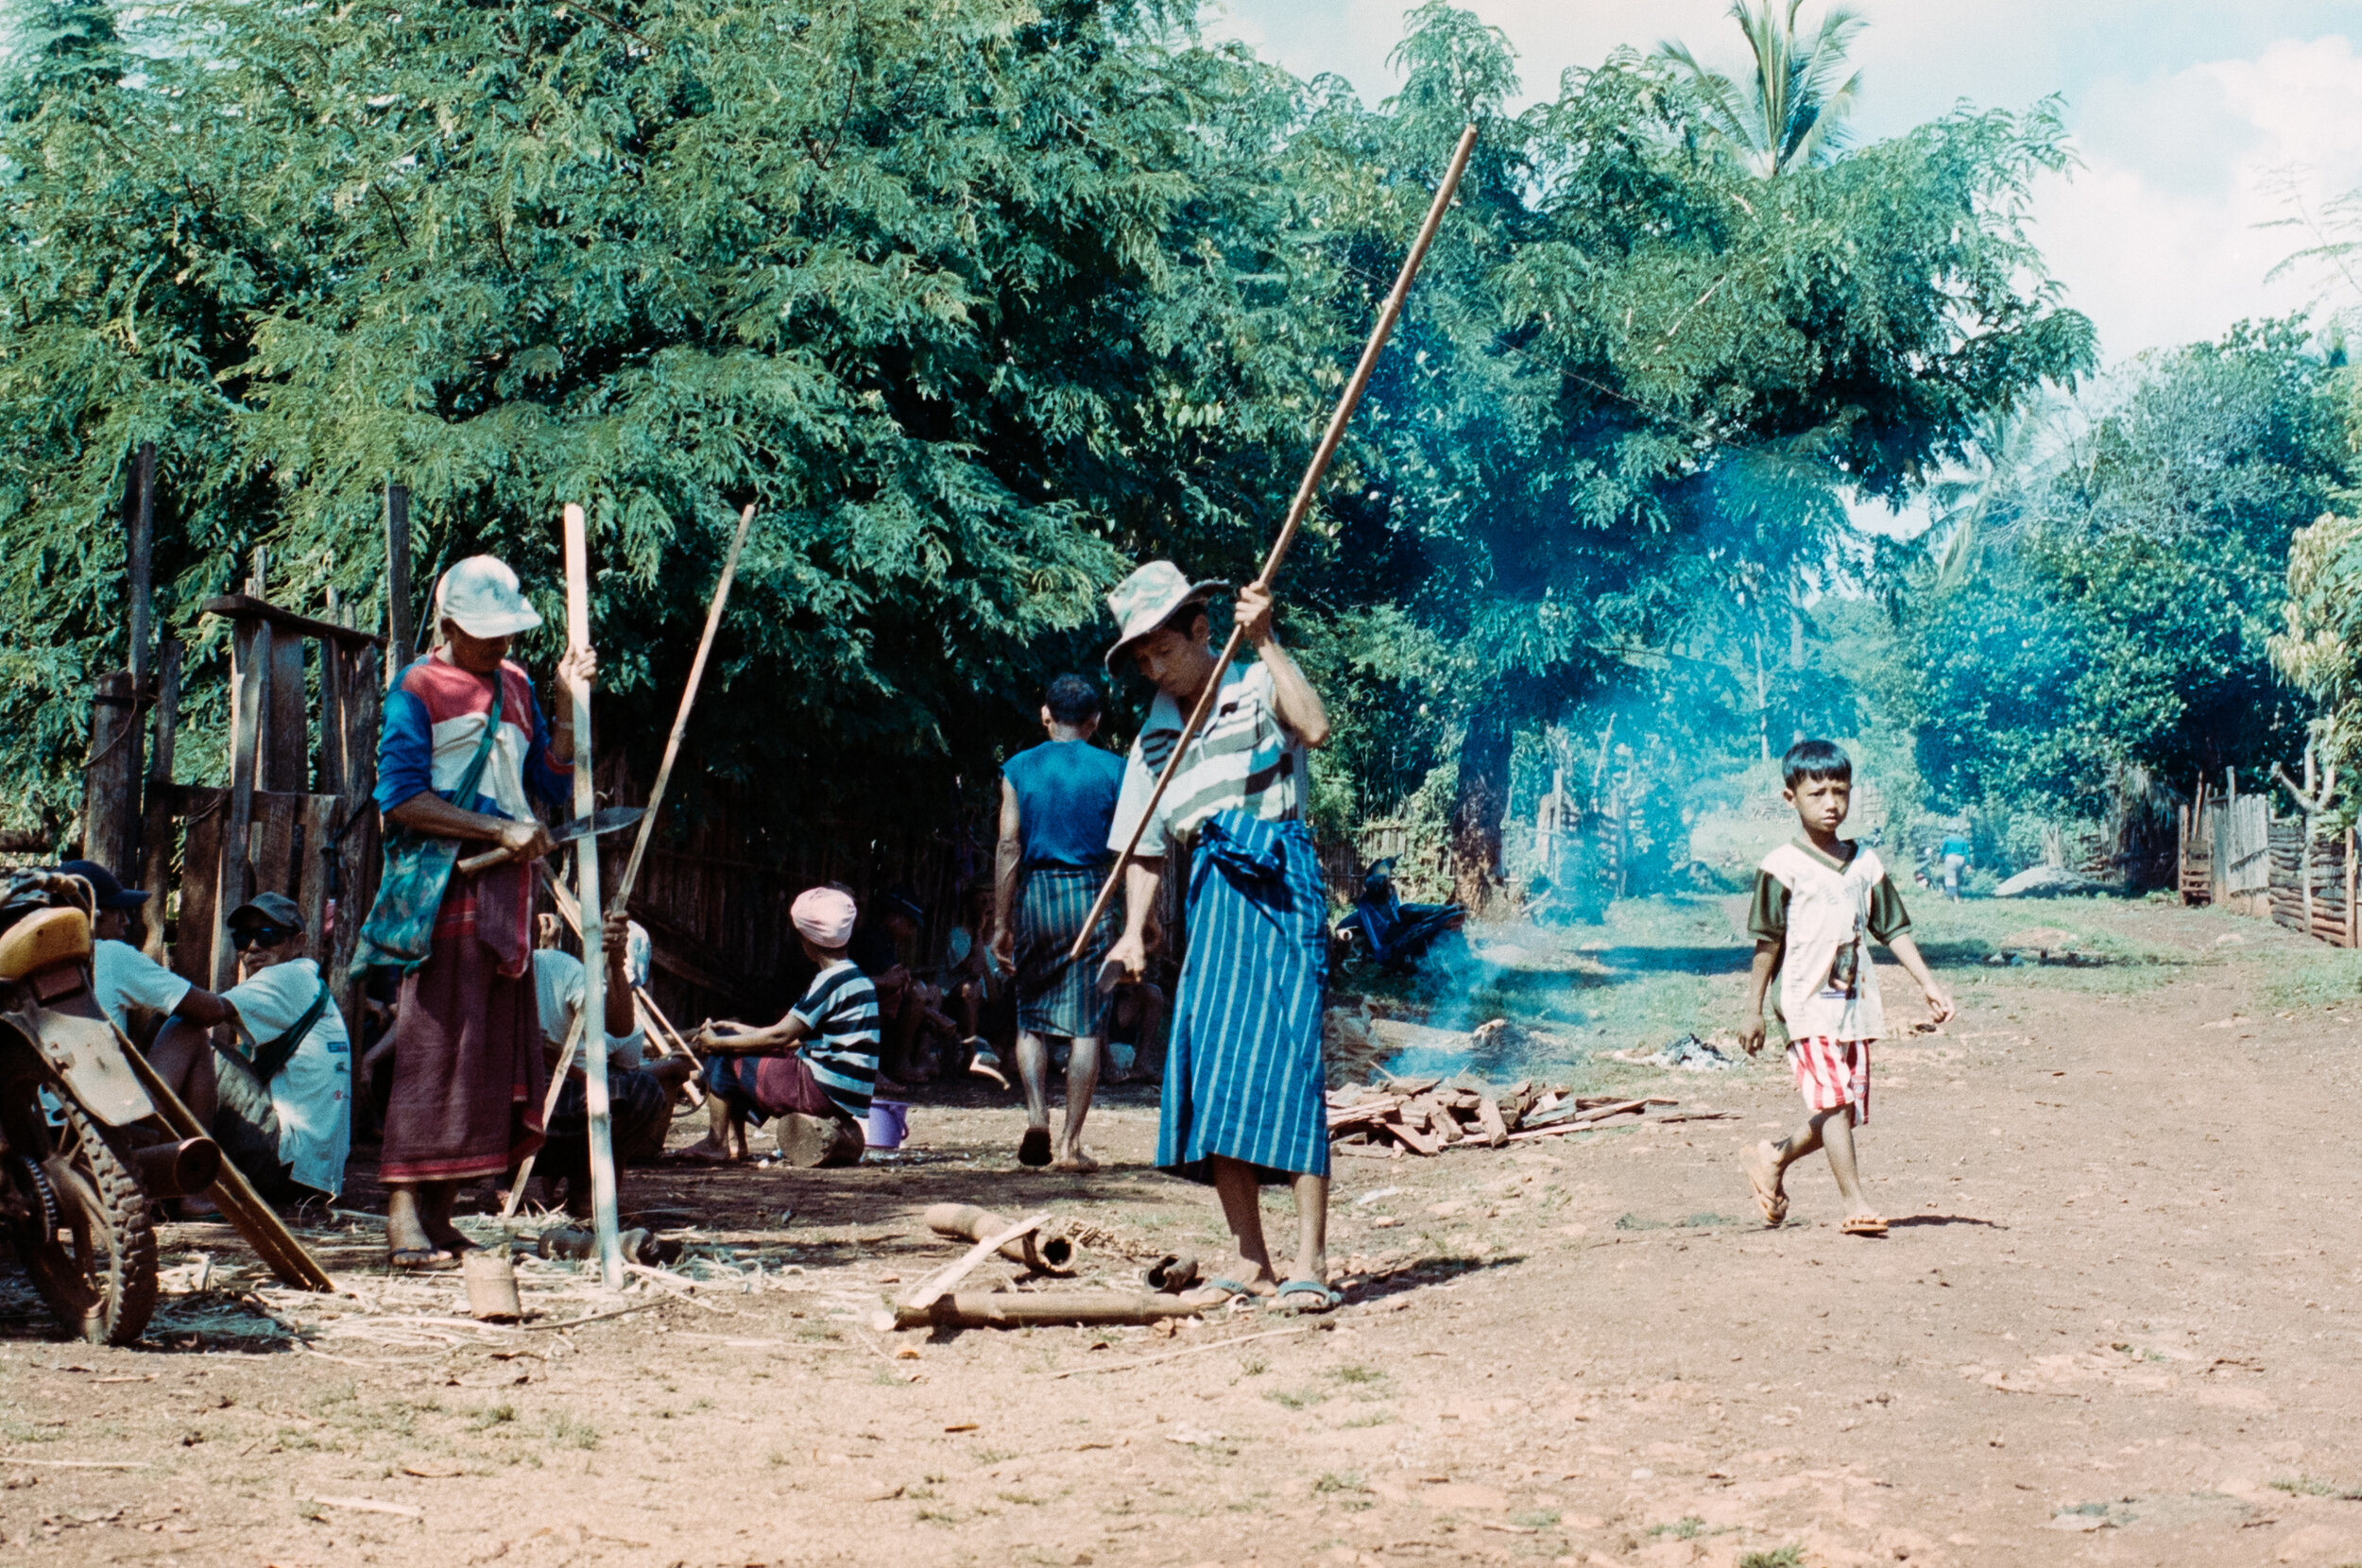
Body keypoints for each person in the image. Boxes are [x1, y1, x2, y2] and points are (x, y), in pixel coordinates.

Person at [1100, 561, 1340, 1313]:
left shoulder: (1257, 685)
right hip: (1212, 898)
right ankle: (1252, 1259)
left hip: (1279, 879)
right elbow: (1141, 845)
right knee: (1213, 1069)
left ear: (1202, 631)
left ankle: (1310, 1259)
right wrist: (1133, 934)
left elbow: (1319, 727)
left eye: (1161, 651)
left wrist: (1268, 642)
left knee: (1290, 1062)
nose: (1153, 669)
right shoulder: (1153, 739)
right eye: (1140, 660)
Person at [366, 554, 586, 1269]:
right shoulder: (416, 687)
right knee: (433, 1048)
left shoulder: (517, 684)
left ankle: (444, 1214)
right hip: (445, 888)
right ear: (450, 624)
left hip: (507, 894)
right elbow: (399, 798)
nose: (501, 646)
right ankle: (403, 1221)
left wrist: (562, 699)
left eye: (508, 634)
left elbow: (549, 783)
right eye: (486, 634)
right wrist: (496, 830)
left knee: (487, 1055)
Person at [1737, 739, 1956, 1236]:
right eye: (1817, 793)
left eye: (1841, 791)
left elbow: (1894, 930)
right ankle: (1855, 1201)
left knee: (1847, 1107)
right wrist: (1752, 1009)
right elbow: (1766, 943)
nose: (1831, 803)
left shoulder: (1865, 864)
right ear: (1791, 797)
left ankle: (1772, 1157)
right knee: (1834, 1100)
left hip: (1852, 1004)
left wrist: (1929, 984)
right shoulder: (1781, 867)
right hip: (1803, 1003)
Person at [992, 673, 1125, 1170]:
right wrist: (1137, 919)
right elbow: (1131, 850)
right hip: (1092, 896)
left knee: (1031, 1015)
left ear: (1045, 714)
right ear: (1094, 722)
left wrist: (1002, 922)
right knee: (1087, 1025)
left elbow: (1009, 845)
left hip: (1037, 896)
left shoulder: (1019, 768)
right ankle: (1070, 1145)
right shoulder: (1116, 769)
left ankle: (1036, 1117)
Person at [60, 860, 241, 1214]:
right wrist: (251, 1005)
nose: (127, 923)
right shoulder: (109, 954)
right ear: (93, 916)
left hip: (46, 1123)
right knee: (187, 1029)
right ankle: (194, 1187)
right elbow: (208, 1010)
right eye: (119, 913)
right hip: (103, 1121)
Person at [688, 887, 879, 1166]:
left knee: (724, 1054)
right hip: (845, 1093)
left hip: (821, 1089)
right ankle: (734, 1143)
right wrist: (739, 1030)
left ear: (808, 942)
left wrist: (719, 1042)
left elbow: (781, 1034)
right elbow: (795, 1038)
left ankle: (717, 1141)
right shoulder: (857, 979)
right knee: (734, 1041)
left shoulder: (828, 982)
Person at [532, 910, 695, 1215]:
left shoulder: (557, 967)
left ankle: (585, 1181)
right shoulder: (469, 972)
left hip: (558, 1103)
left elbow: (618, 1026)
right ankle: (500, 1182)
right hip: (502, 1106)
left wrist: (614, 961)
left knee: (638, 1091)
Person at [211, 894, 352, 1205]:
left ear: (297, 942)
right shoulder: (305, 982)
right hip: (311, 1177)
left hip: (286, 1170)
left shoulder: (289, 975)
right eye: (243, 937)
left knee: (196, 1044)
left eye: (267, 935)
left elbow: (204, 1010)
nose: (252, 947)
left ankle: (181, 1167)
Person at [1938, 828, 1973, 901]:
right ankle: (1958, 892)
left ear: (1949, 831)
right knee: (1957, 876)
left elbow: (1943, 851)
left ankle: (1955, 898)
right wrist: (1968, 864)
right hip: (1961, 860)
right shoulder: (1963, 839)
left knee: (1950, 877)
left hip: (1950, 859)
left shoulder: (1947, 839)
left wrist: (1939, 859)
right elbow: (1967, 853)